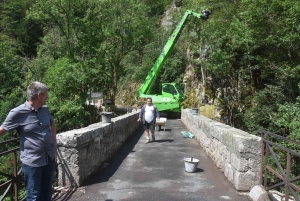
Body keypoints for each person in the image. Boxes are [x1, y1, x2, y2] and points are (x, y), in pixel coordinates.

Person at [0, 82, 57, 201]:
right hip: (32, 163)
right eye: (46, 94)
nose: (47, 96)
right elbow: (2, 130)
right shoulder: (17, 112)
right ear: (39, 95)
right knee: (33, 196)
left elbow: (52, 125)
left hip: (48, 158)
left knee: (47, 192)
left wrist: (54, 145)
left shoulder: (45, 110)